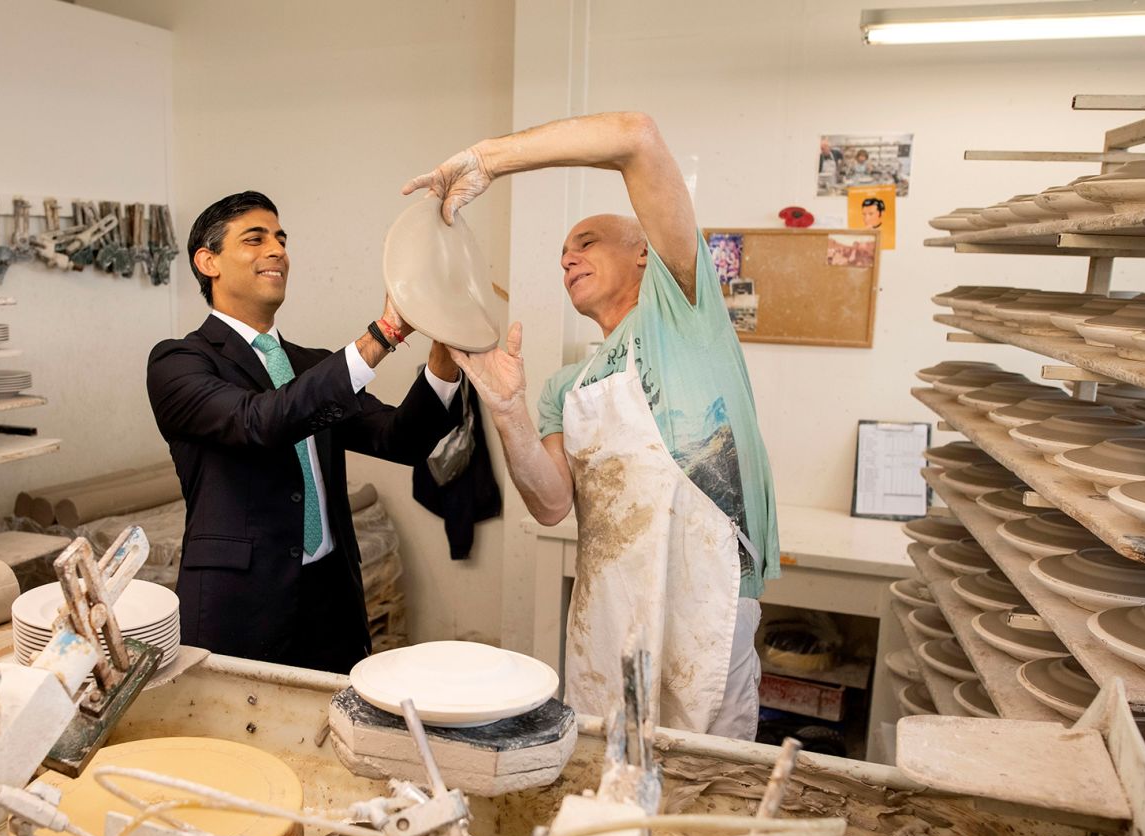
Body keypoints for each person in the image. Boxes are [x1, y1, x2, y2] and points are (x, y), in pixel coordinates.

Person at [403, 112, 779, 739]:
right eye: (561, 254)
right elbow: (552, 505)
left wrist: (489, 159)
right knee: (610, 793)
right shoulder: (563, 388)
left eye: (586, 241)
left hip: (705, 601)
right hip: (608, 610)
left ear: (643, 254)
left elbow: (636, 137)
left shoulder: (683, 312)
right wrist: (507, 411)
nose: (568, 258)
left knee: (705, 793)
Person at [146, 191, 461, 674]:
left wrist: (445, 351)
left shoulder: (311, 366)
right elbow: (259, 422)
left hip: (331, 600)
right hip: (240, 606)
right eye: (255, 239)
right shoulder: (179, 362)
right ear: (208, 262)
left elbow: (401, 439)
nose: (277, 250)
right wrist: (385, 334)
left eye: (281, 239)